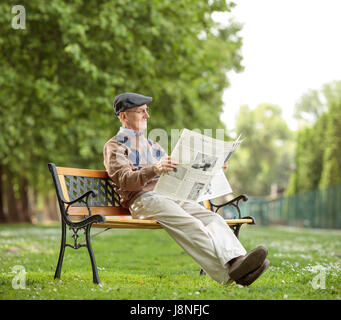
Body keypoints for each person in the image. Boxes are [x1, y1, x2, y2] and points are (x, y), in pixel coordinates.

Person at [103, 92, 270, 286]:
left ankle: (239, 261)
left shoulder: (152, 145)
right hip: (142, 200)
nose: (147, 116)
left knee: (212, 218)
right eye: (141, 111)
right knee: (191, 223)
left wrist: (211, 167)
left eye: (146, 111)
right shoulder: (114, 147)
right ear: (123, 116)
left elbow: (178, 171)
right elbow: (125, 180)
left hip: (168, 195)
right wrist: (154, 168)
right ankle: (232, 274)